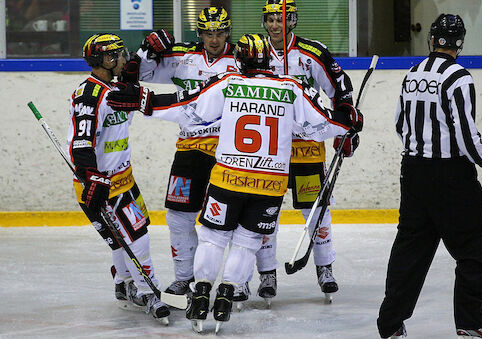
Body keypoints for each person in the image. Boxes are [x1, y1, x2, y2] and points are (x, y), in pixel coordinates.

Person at [107, 33, 363, 333]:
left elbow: (190, 109)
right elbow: (320, 124)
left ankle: (202, 291)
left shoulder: (228, 83)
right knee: (246, 243)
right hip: (268, 186)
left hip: (228, 179)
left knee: (214, 239)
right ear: (268, 59)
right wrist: (348, 121)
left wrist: (145, 101)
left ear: (239, 60)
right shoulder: (291, 88)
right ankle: (228, 291)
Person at [376, 14, 482, 339]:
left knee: (410, 248)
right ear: (459, 43)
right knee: (476, 246)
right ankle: (470, 322)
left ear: (431, 40)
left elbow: (399, 124)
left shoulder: (413, 73)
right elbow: (465, 130)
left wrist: (420, 151)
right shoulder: (459, 77)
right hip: (451, 177)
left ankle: (390, 325)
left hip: (414, 171)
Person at [251, 0, 358, 302]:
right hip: (268, 150)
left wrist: (344, 124)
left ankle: (326, 270)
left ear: (293, 20)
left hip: (307, 149)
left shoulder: (312, 52)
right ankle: (267, 274)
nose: (275, 25)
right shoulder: (253, 53)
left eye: (281, 19)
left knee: (316, 213)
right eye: (271, 19)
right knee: (264, 216)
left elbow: (341, 89)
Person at [135, 7, 239, 299]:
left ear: (227, 31)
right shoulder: (183, 56)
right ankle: (184, 278)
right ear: (200, 33)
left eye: (219, 33)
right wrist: (147, 49)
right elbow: (137, 73)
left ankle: (237, 281)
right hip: (189, 149)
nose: (214, 39)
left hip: (229, 152)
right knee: (179, 217)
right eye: (208, 33)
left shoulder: (242, 58)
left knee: (230, 219)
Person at [69, 33, 170, 324]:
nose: (123, 59)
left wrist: (144, 51)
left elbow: (132, 79)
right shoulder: (90, 95)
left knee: (121, 240)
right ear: (106, 60)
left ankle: (124, 284)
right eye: (119, 54)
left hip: (123, 179)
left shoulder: (114, 87)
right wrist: (91, 177)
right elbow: (81, 142)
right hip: (101, 184)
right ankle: (147, 291)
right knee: (136, 238)